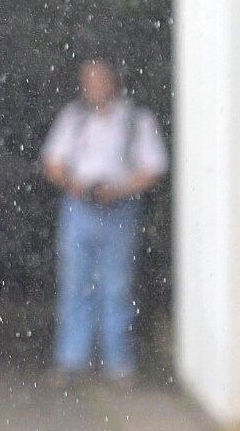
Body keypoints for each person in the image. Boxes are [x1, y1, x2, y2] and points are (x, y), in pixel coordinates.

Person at [40, 57, 168, 381]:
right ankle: (72, 360)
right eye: (88, 81)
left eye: (100, 80)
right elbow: (52, 163)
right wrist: (77, 186)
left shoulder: (136, 120)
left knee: (117, 287)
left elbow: (154, 168)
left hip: (120, 209)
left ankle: (119, 363)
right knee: (75, 285)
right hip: (78, 207)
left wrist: (119, 189)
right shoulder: (74, 118)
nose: (94, 87)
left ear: (115, 82)